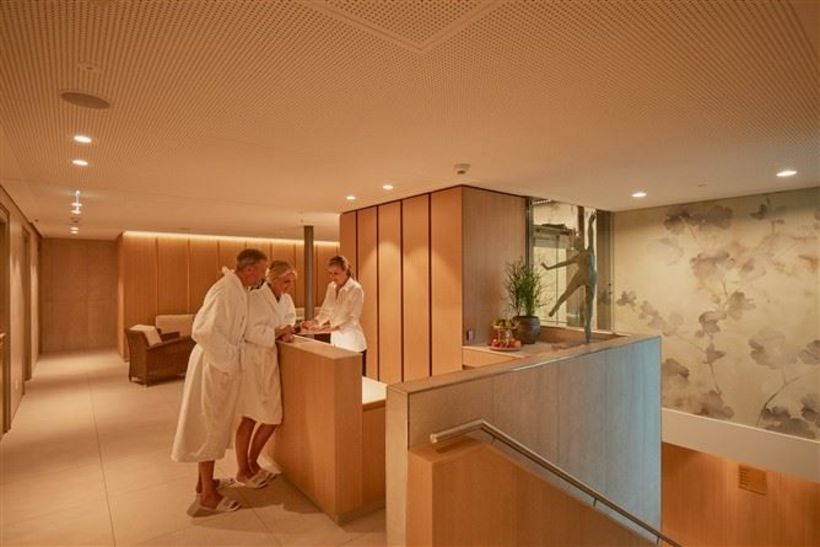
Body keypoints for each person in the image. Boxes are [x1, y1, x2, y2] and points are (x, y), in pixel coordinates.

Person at [171, 248, 268, 514]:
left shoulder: (237, 290)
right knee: (210, 426)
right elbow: (204, 331)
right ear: (249, 269)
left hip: (218, 365)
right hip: (214, 366)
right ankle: (208, 497)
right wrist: (230, 361)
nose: (263, 276)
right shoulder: (225, 291)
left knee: (213, 425)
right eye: (262, 271)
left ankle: (203, 483)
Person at [234, 261, 297, 488]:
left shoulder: (286, 300)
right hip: (253, 361)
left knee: (272, 416)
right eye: (285, 281)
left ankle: (253, 463)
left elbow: (290, 319)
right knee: (249, 416)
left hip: (269, 361)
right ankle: (243, 470)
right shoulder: (255, 298)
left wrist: (286, 330)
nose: (289, 286)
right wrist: (278, 332)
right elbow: (249, 331)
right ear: (272, 279)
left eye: (291, 282)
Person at [301, 255, 367, 373]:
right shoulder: (331, 287)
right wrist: (314, 323)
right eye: (330, 273)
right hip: (336, 343)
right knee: (338, 379)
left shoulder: (355, 289)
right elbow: (325, 311)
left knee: (353, 381)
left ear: (345, 271)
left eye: (336, 273)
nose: (332, 277)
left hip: (353, 344)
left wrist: (329, 329)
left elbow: (353, 320)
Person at [541, 212, 597, 343]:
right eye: (577, 243)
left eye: (580, 242)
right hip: (580, 276)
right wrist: (549, 268)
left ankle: (588, 328)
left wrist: (590, 223)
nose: (579, 244)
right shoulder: (576, 257)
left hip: (591, 278)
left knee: (589, 304)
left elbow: (591, 235)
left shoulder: (590, 250)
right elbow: (562, 264)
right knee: (567, 293)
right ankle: (556, 306)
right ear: (576, 247)